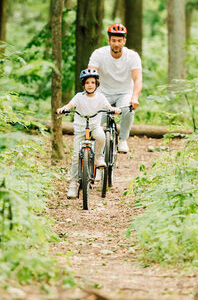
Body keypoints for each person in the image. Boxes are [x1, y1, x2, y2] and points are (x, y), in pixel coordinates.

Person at [57, 68, 121, 199]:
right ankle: (73, 184)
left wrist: (114, 110)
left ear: (96, 84)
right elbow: (69, 105)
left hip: (94, 126)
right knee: (76, 156)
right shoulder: (79, 97)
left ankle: (99, 157)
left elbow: (108, 107)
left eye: (92, 82)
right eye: (87, 83)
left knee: (101, 136)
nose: (90, 85)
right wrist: (63, 109)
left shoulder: (100, 97)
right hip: (80, 129)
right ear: (83, 85)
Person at [88, 23, 142, 154]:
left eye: (119, 40)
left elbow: (138, 79)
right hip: (103, 93)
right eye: (113, 40)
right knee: (95, 122)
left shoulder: (132, 56)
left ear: (124, 41)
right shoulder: (99, 54)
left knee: (128, 109)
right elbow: (90, 74)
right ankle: (96, 154)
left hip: (123, 93)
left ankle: (123, 139)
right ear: (108, 41)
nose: (116, 44)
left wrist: (134, 98)